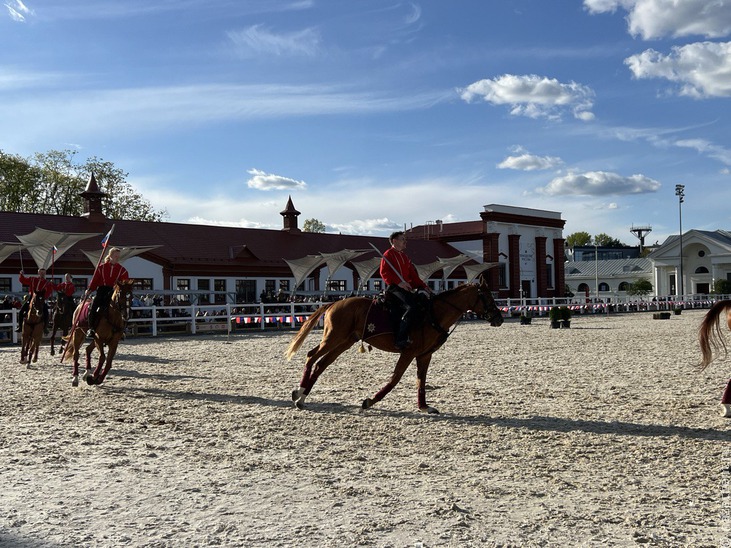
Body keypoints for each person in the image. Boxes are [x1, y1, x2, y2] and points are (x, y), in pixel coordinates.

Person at [379, 231, 432, 349]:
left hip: (406, 287)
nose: (405, 242)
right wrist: (399, 283)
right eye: (402, 239)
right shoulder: (387, 255)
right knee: (411, 307)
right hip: (394, 288)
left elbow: (413, 276)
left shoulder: (404, 257)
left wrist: (423, 286)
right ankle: (400, 338)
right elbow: (384, 273)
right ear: (394, 241)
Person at [85, 247, 129, 338]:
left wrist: (125, 287)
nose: (117, 258)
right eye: (116, 256)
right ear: (110, 256)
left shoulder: (122, 270)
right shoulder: (101, 267)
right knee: (94, 306)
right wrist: (90, 289)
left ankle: (121, 329)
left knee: (122, 307)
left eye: (118, 256)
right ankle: (91, 328)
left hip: (113, 291)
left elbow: (124, 281)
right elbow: (95, 280)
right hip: (102, 290)